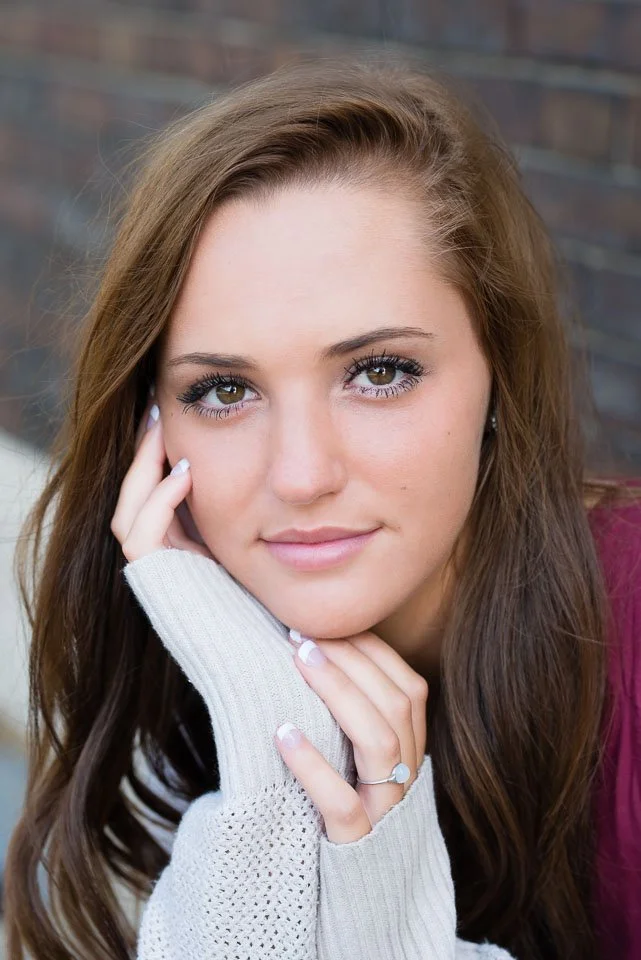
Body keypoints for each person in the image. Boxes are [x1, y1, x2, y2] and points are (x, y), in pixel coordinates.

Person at [3, 58, 640, 960]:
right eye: (223, 390)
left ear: (499, 379)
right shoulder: (205, 650)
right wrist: (268, 724)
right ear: (152, 430)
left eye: (379, 373)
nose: (300, 475)